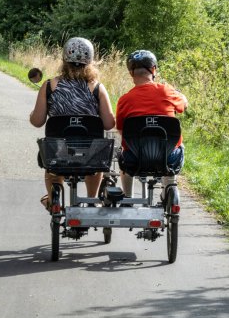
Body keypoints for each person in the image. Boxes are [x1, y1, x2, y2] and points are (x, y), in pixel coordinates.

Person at [30, 37, 115, 210]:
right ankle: (92, 200)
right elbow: (108, 123)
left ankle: (55, 201)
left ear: (64, 59)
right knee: (95, 158)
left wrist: (32, 114)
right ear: (90, 61)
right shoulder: (97, 87)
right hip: (89, 154)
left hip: (59, 152)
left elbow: (37, 121)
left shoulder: (49, 86)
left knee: (52, 162)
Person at [116, 50, 188, 200]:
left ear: (131, 73)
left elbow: (122, 130)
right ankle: (167, 192)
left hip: (134, 160)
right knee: (178, 147)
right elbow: (184, 105)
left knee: (123, 152)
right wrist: (180, 95)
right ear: (153, 69)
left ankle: (128, 197)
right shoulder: (167, 91)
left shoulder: (124, 100)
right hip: (169, 158)